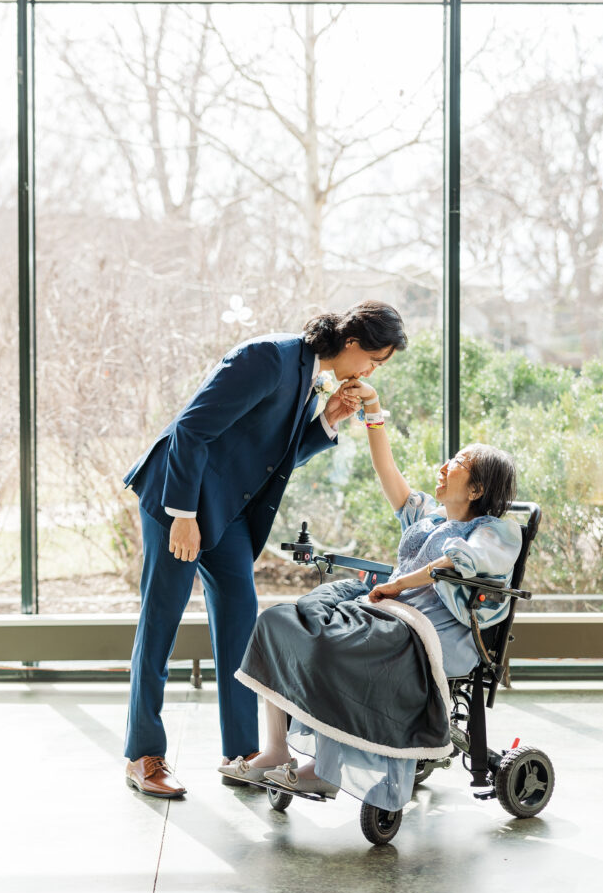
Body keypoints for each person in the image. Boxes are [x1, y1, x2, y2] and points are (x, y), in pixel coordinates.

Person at [123, 301, 407, 798]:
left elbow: (271, 458)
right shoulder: (268, 358)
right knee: (160, 623)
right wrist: (183, 517)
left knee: (240, 625)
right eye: (375, 361)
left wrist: (329, 420)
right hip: (179, 502)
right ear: (354, 344)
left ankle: (241, 752)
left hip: (226, 512)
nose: (369, 372)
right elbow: (192, 429)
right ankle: (143, 754)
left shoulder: (307, 376)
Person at [222, 378, 521, 812]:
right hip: (384, 615)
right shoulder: (430, 519)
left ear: (476, 489)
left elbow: (461, 563)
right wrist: (374, 412)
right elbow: (388, 472)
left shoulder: (494, 531)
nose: (443, 467)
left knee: (330, 649)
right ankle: (275, 749)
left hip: (428, 635)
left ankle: (325, 771)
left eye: (457, 463)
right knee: (276, 622)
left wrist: (399, 584)